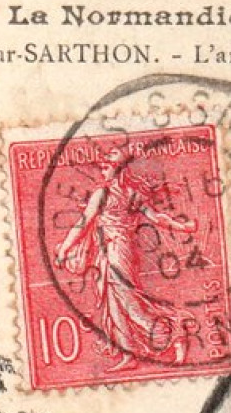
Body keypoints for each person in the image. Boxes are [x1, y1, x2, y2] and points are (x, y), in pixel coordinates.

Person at [52, 142, 198, 370]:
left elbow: (83, 225)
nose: (104, 169)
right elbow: (157, 218)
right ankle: (128, 355)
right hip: (111, 251)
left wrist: (64, 250)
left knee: (129, 303)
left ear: (120, 168)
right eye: (104, 166)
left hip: (118, 250)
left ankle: (174, 333)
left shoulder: (108, 193)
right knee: (114, 305)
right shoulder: (128, 193)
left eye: (108, 165)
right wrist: (183, 226)